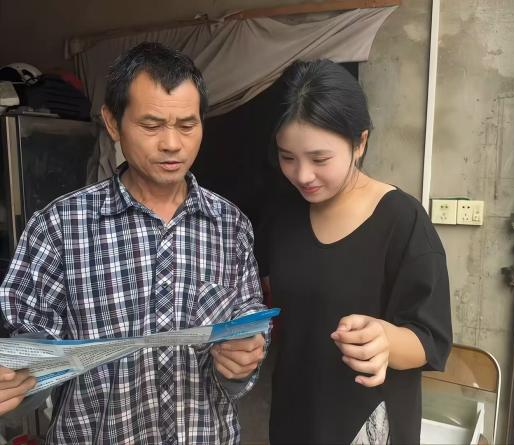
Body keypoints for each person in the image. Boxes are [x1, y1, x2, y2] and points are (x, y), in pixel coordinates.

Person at [0, 42, 268, 444]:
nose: (172, 144)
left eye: (187, 125)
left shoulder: (230, 226)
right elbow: (27, 348)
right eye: (152, 125)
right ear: (113, 123)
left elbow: (248, 324)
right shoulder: (60, 226)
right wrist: (17, 380)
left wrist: (243, 359)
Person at [260, 60, 453, 444]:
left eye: (320, 159)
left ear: (360, 142)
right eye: (287, 157)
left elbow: (431, 339)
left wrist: (386, 339)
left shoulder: (401, 220)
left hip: (366, 425)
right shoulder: (283, 215)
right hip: (294, 416)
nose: (302, 175)